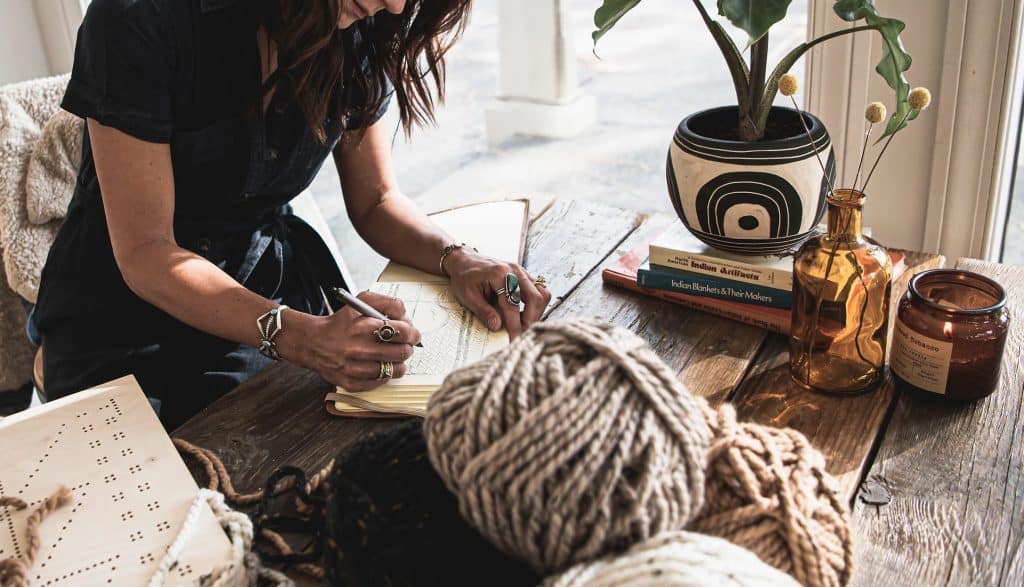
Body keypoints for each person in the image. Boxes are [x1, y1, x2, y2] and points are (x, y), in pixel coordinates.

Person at [32, 0, 551, 428]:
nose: (393, 6)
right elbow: (146, 251)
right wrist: (298, 335)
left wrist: (458, 258)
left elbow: (376, 202)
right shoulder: (140, 16)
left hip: (271, 290)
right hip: (123, 321)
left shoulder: (363, 24)